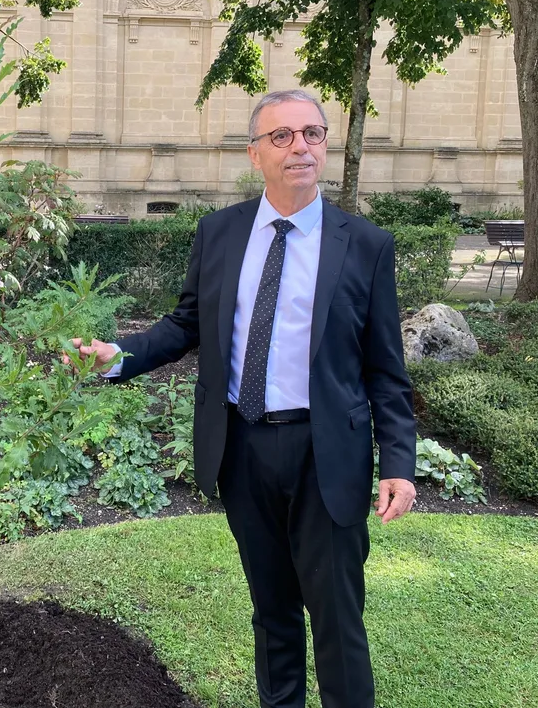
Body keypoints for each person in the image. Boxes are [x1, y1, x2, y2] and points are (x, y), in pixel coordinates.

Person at [64, 89, 417, 708]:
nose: (300, 147)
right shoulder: (220, 233)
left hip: (325, 455)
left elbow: (385, 370)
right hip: (243, 447)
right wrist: (118, 356)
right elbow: (186, 326)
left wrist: (399, 465)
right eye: (282, 136)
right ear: (256, 154)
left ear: (325, 144)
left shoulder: (364, 245)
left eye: (312, 133)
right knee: (272, 611)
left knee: (337, 621)